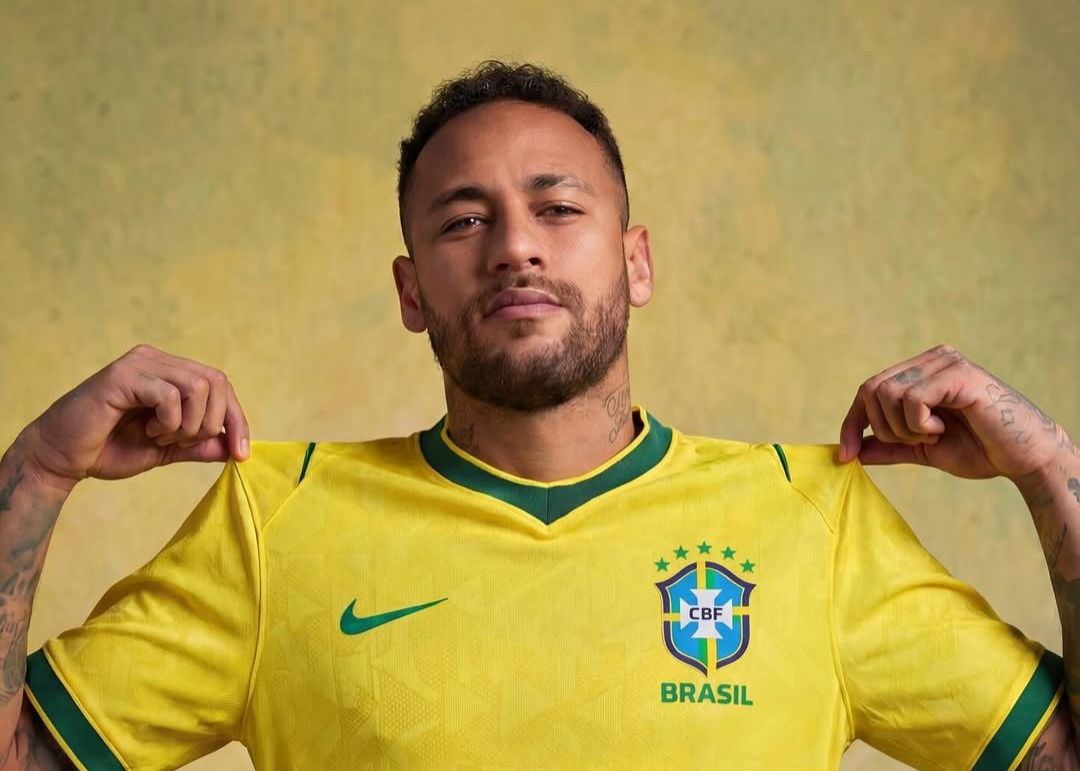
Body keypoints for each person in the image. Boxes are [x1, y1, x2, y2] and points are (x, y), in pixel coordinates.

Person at [0, 60, 1076, 771]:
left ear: (636, 261)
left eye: (558, 208)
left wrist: (1050, 470)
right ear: (411, 290)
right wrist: (37, 474)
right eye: (464, 221)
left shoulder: (817, 521)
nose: (516, 245)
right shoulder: (272, 523)